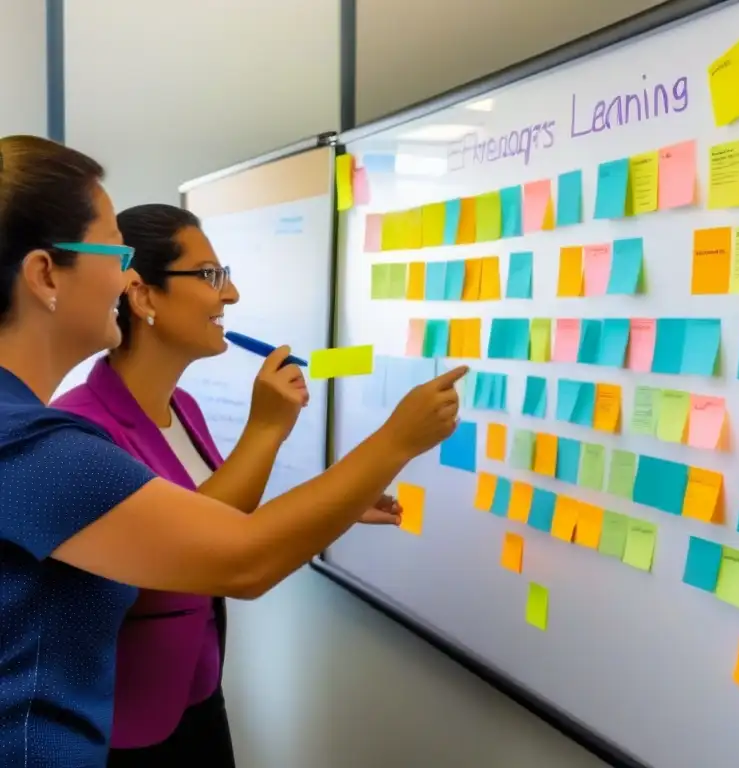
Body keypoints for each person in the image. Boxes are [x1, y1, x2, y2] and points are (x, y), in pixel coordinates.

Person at [0, 133, 465, 767]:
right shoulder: (37, 447)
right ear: (45, 273)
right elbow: (240, 558)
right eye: (115, 253)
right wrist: (395, 440)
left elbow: (199, 524)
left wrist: (335, 498)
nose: (124, 275)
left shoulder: (39, 437)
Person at [52, 203, 400, 767]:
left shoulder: (183, 408)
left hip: (199, 697)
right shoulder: (84, 429)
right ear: (142, 297)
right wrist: (268, 428)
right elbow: (198, 552)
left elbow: (222, 513)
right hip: (125, 727)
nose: (230, 295)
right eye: (211, 276)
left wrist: (338, 503)